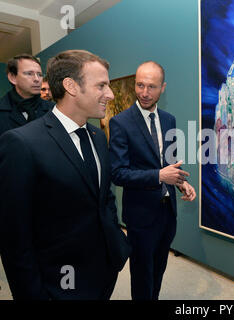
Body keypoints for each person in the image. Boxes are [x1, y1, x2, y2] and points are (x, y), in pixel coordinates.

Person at [0, 49, 131, 300]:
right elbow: (15, 237)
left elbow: (104, 199)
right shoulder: (21, 143)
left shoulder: (97, 138)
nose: (111, 94)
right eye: (101, 85)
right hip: (58, 282)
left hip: (102, 271)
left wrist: (116, 246)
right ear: (71, 86)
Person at [109, 61, 196, 300]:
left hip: (167, 213)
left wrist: (180, 182)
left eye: (152, 86)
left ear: (163, 88)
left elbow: (170, 161)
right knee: (142, 275)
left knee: (158, 270)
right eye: (140, 85)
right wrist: (159, 176)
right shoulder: (121, 122)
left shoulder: (169, 120)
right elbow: (117, 173)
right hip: (140, 215)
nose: (144, 92)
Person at [0, 53, 54, 136]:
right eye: (29, 73)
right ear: (12, 78)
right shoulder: (2, 111)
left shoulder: (53, 109)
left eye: (39, 74)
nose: (37, 79)